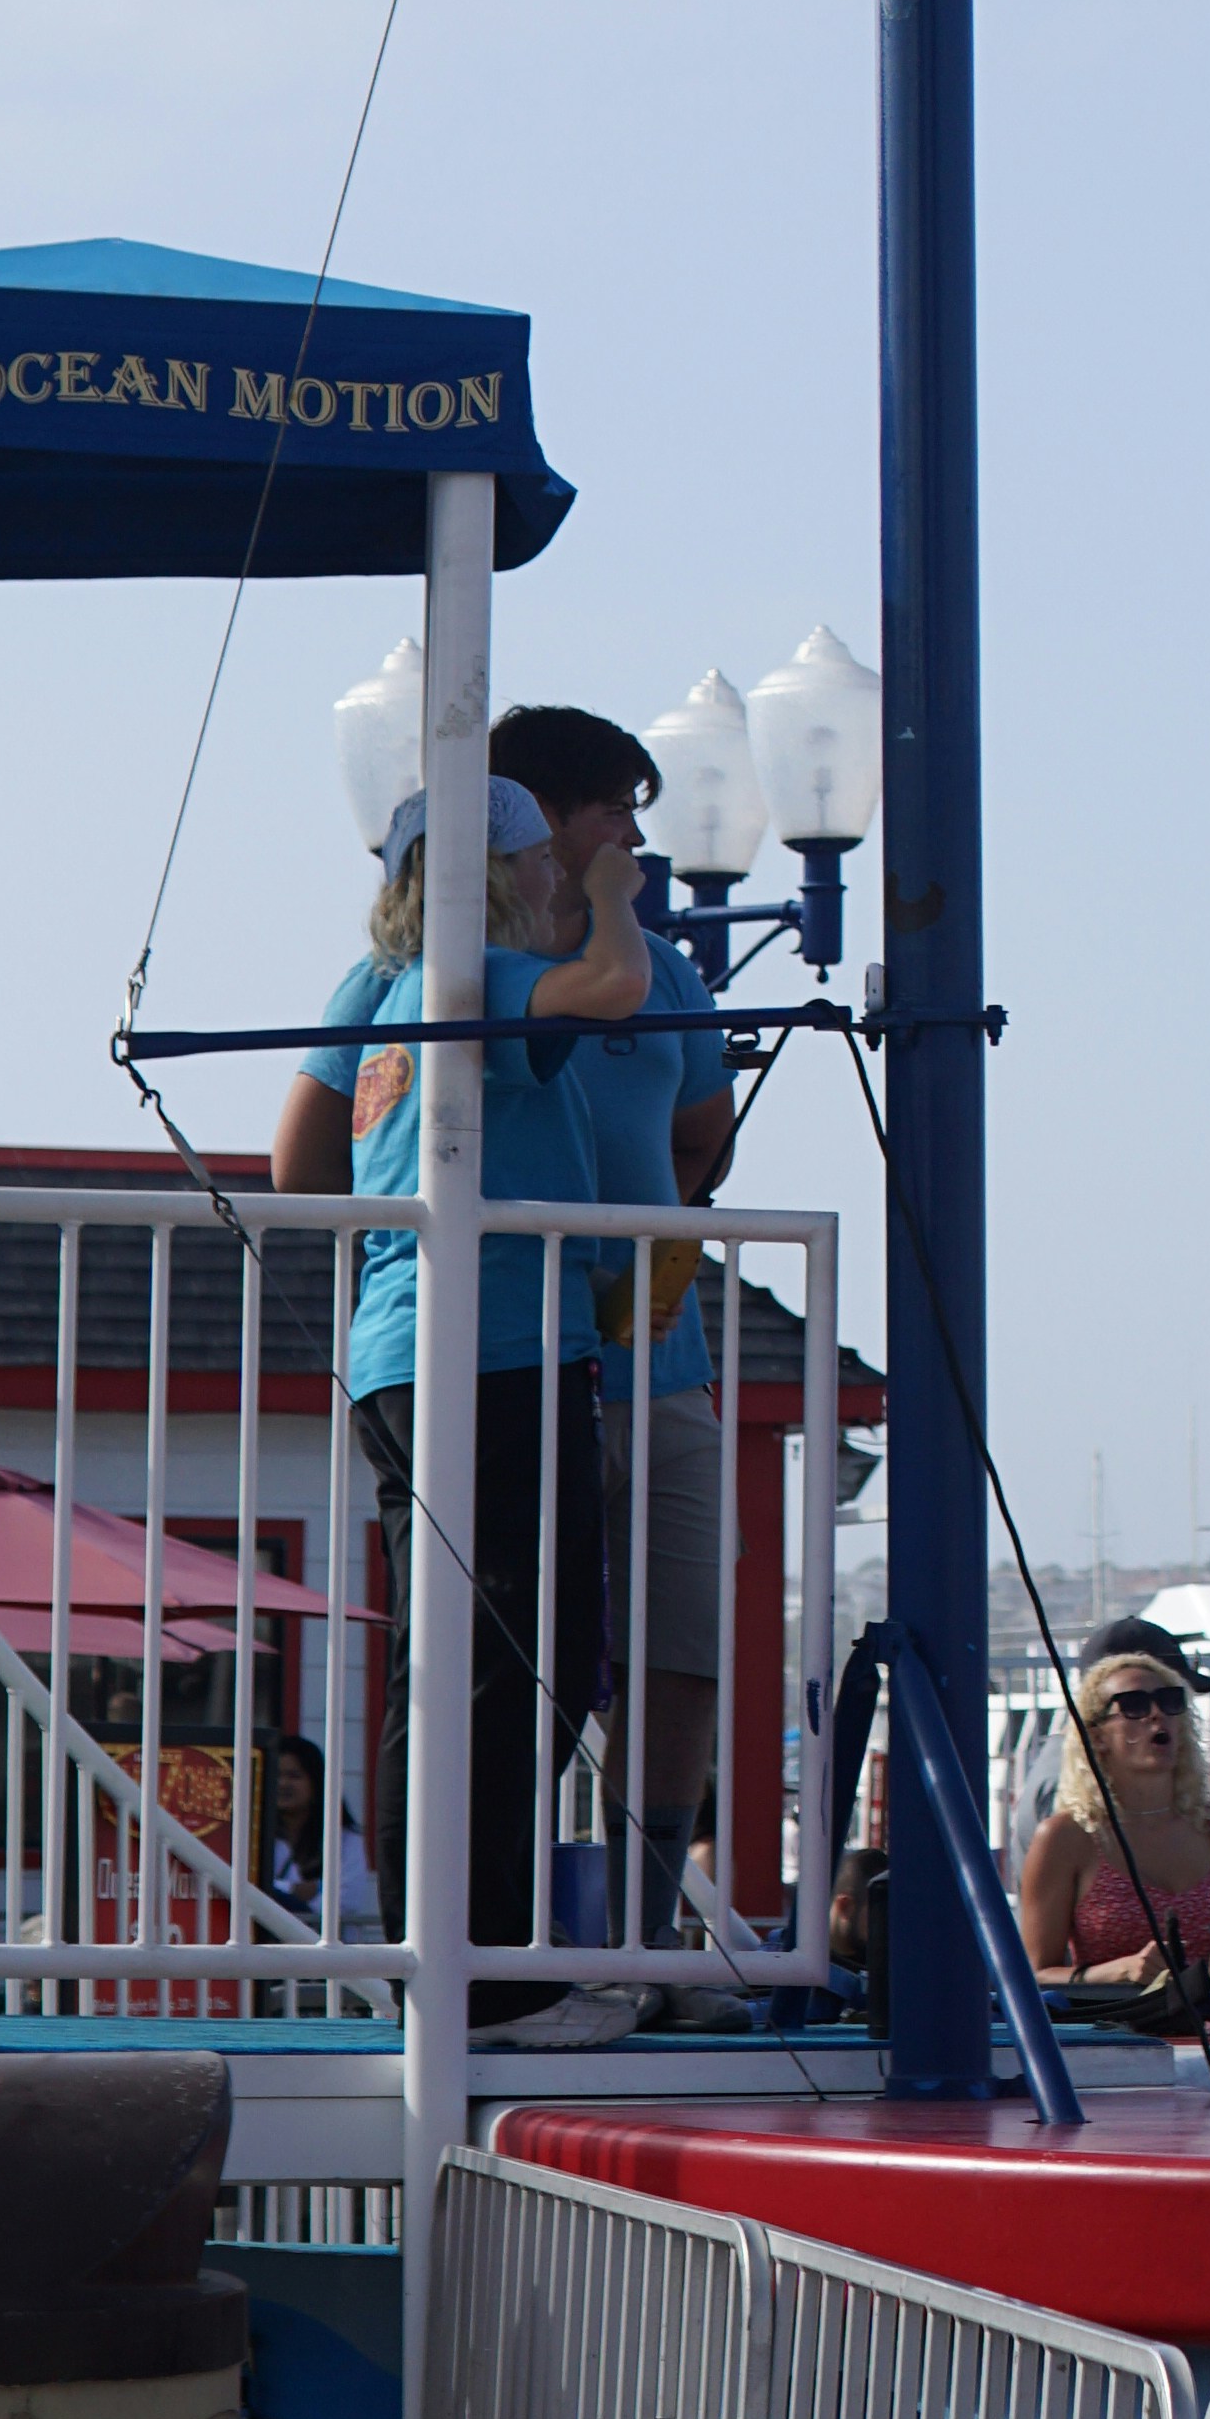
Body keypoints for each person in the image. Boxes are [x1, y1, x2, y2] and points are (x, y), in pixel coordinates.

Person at [275, 774, 650, 2033]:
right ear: (495, 873)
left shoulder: (367, 987)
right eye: (542, 859)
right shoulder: (471, 971)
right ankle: (478, 1971)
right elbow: (613, 992)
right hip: (493, 1347)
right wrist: (614, 901)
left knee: (451, 1663)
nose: (556, 875)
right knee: (518, 1661)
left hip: (406, 1343)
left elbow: (298, 1160)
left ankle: (430, 1953)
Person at [490, 702, 736, 1968]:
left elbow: (703, 1119)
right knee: (521, 1658)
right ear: (547, 815)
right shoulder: (464, 950)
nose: (637, 836)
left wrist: (666, 1219)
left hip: (666, 1361)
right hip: (519, 1365)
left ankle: (641, 1930)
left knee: (679, 1652)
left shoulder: (665, 961)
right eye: (618, 809)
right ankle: (508, 1924)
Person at [1015, 1653, 1210, 2006]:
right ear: (1097, 1736)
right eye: (1133, 1705)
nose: (1156, 1714)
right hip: (1121, 2038)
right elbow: (1035, 1975)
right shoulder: (1066, 1838)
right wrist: (1117, 1972)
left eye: (1170, 1701)